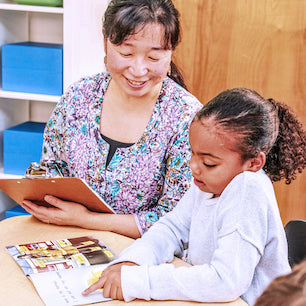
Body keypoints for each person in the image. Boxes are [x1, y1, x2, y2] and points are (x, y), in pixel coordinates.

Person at [82, 88, 306, 305]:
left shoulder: (248, 189)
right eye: (192, 153)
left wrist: (142, 281)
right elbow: (171, 228)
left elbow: (225, 282)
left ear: (254, 163)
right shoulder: (209, 182)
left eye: (209, 162)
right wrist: (134, 260)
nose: (194, 167)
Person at [20, 0, 202, 238]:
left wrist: (88, 221)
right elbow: (54, 167)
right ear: (106, 40)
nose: (138, 70)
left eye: (154, 58)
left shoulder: (186, 117)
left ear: (171, 52)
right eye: (126, 53)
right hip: (68, 241)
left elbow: (178, 219)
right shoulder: (79, 97)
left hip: (146, 258)